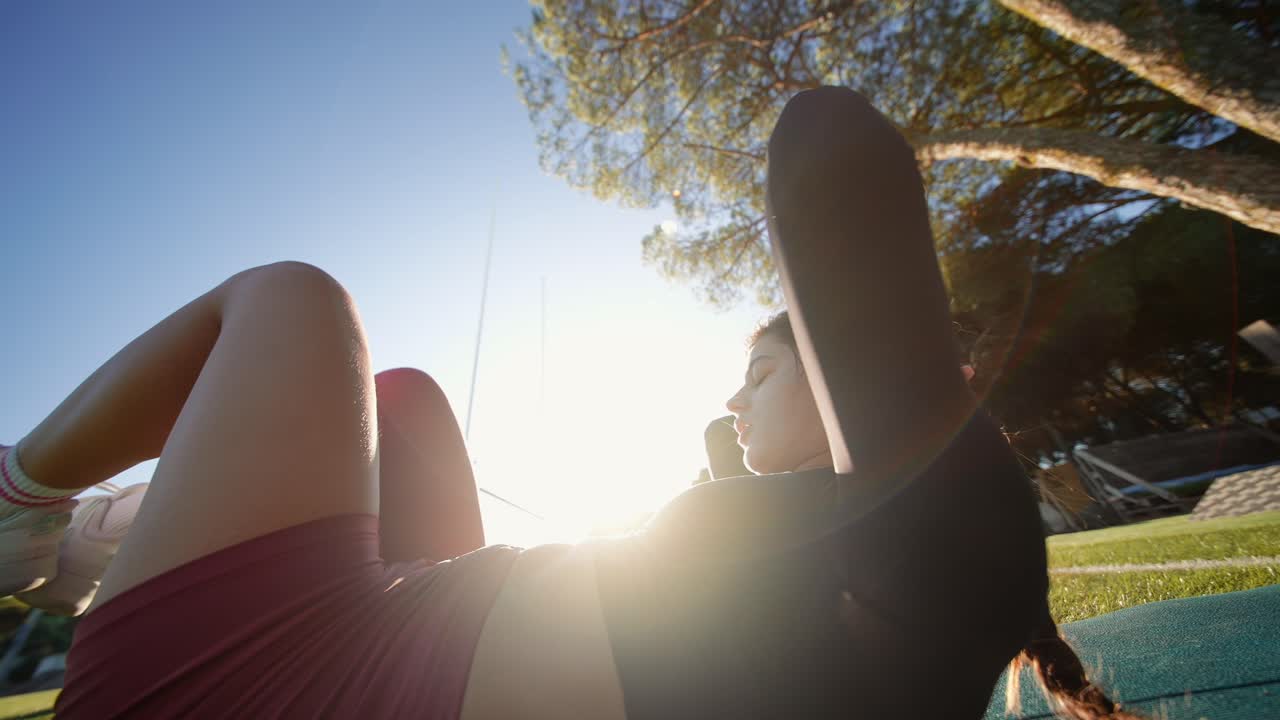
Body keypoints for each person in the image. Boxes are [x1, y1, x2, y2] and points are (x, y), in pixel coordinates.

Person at [0, 86, 1139, 719]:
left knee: (293, 299)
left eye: (762, 370)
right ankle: (99, 539)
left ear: (853, 377)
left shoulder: (930, 563)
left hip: (265, 685)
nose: (733, 394)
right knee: (403, 407)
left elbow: (825, 141)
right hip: (394, 638)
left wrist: (907, 388)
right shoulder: (840, 551)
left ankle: (25, 505)